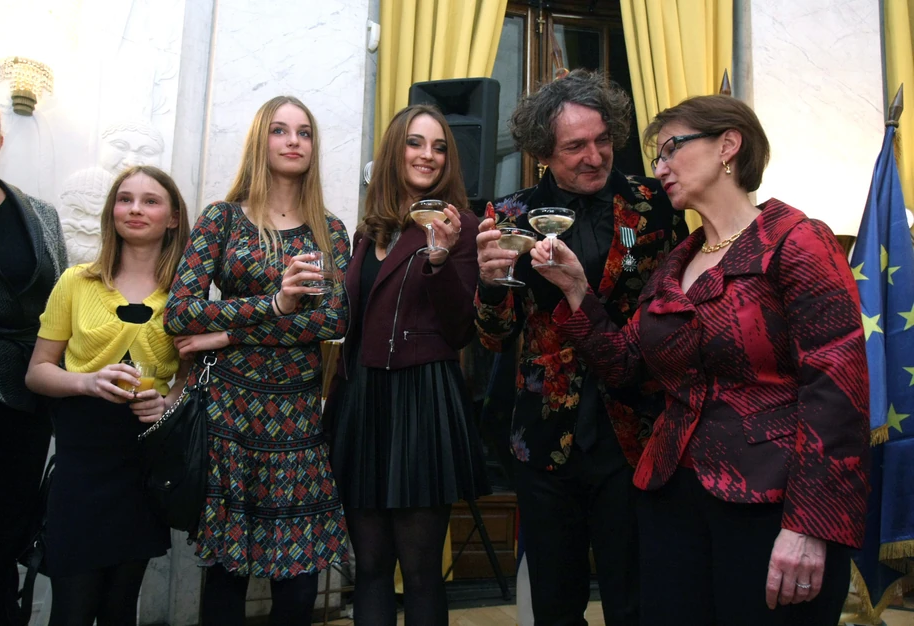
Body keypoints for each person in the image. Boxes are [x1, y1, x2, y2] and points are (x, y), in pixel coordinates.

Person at [533, 94, 870, 625]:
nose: (659, 168)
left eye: (671, 149)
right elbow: (625, 367)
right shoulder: (677, 262)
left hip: (771, 503)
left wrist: (809, 524)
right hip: (671, 501)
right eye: (657, 156)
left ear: (728, 145)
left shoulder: (796, 241)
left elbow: (837, 393)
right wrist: (577, 290)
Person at [475, 69, 688, 626]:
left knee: (635, 597)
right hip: (546, 433)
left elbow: (677, 307)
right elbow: (495, 336)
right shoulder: (509, 216)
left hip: (636, 427)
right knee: (555, 600)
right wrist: (490, 286)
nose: (595, 157)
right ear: (543, 152)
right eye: (576, 146)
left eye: (603, 140)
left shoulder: (653, 202)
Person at [163, 95, 350, 626]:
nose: (293, 141)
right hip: (232, 415)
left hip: (298, 420)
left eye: (304, 132)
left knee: (299, 584)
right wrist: (275, 305)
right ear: (260, 141)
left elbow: (334, 322)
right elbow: (179, 313)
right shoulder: (222, 219)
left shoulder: (329, 230)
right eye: (280, 130)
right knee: (227, 575)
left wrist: (224, 335)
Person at [324, 103, 489, 626]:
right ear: (395, 150)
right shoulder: (367, 232)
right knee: (370, 568)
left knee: (419, 573)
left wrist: (440, 260)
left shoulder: (460, 226)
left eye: (439, 147)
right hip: (363, 403)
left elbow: (462, 330)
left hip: (422, 402)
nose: (428, 155)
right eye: (416, 143)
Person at [25, 165, 191, 625]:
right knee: (72, 609)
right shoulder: (76, 282)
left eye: (150, 201)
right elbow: (37, 372)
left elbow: (190, 380)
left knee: (120, 608)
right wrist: (87, 381)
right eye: (125, 199)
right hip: (81, 464)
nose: (135, 209)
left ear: (173, 218)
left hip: (143, 463)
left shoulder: (185, 294)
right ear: (111, 211)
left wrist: (167, 403)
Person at [0, 85, 67, 626]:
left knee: (5, 535)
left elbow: (61, 303)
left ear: (0, 138)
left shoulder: (41, 215)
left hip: (23, 397)